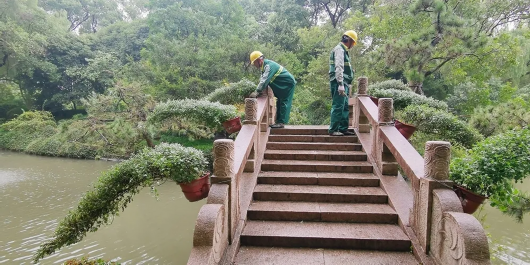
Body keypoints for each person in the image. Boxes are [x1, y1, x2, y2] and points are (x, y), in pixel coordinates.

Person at [249, 51, 296, 129]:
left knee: (283, 101)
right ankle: (278, 122)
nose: (254, 65)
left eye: (254, 63)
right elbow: (262, 79)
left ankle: (281, 122)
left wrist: (257, 91)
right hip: (283, 83)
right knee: (280, 100)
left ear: (259, 60)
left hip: (287, 83)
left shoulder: (269, 66)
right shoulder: (264, 67)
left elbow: (265, 80)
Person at [328, 30, 358, 136]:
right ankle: (333, 129)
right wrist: (340, 83)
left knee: (345, 106)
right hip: (338, 82)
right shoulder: (339, 50)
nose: (352, 45)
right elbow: (339, 67)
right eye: (353, 43)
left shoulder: (344, 51)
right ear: (348, 40)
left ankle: (343, 128)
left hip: (344, 82)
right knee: (338, 105)